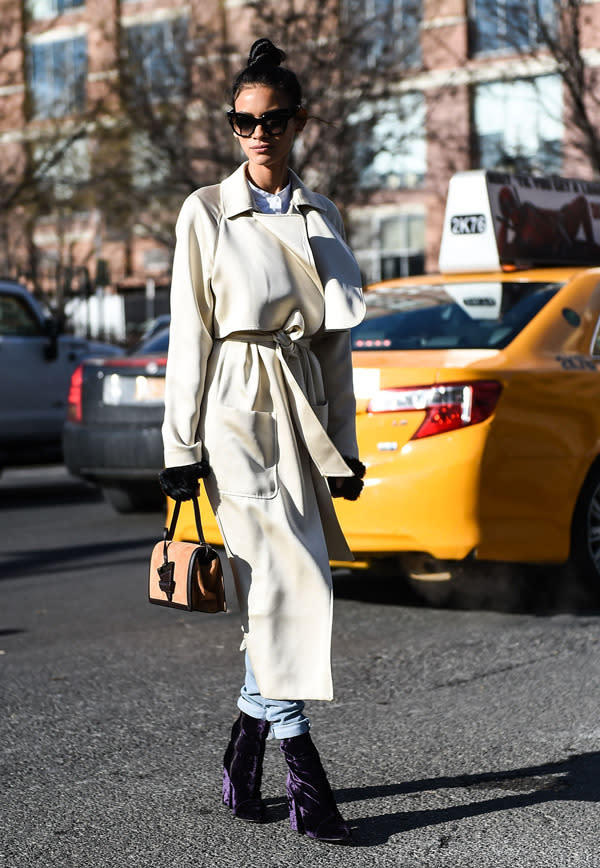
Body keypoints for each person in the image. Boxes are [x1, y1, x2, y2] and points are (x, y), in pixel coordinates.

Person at [158, 38, 366, 844]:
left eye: (274, 119)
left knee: (292, 582)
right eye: (244, 121)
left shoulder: (323, 216)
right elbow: (191, 334)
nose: (258, 133)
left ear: (298, 123)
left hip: (303, 407)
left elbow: (336, 350)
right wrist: (180, 449)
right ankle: (305, 774)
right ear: (232, 127)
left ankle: (243, 755)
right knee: (282, 584)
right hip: (237, 408)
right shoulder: (206, 211)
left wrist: (341, 450)